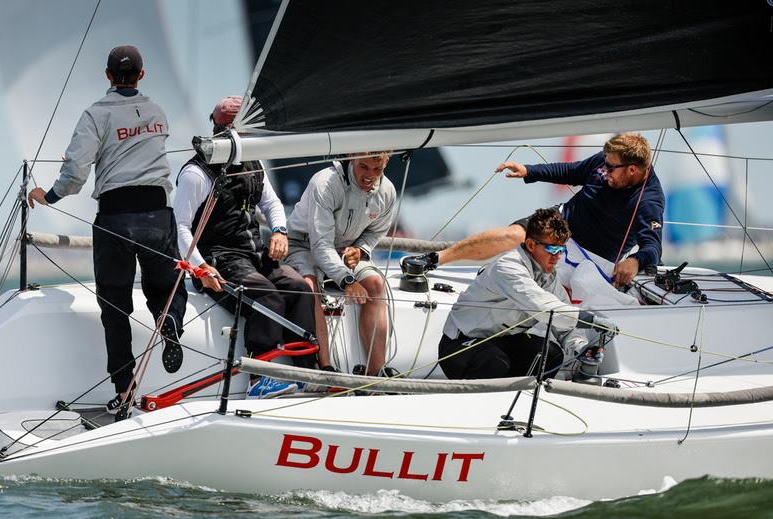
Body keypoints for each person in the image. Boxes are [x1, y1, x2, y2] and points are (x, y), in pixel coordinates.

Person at [27, 45, 187, 415]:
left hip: (117, 216)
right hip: (157, 212)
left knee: (115, 306)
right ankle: (171, 324)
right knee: (164, 289)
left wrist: (49, 196)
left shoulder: (95, 114)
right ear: (142, 75)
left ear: (108, 75)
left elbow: (76, 173)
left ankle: (124, 390)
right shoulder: (157, 112)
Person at [173, 96, 316, 398]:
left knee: (299, 288)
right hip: (219, 260)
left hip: (251, 256)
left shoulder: (253, 162)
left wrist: (279, 231)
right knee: (269, 297)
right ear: (226, 131)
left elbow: (272, 202)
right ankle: (258, 378)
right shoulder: (197, 173)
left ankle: (306, 370)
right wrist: (200, 268)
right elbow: (181, 228)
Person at [408, 133, 665, 288]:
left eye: (612, 168)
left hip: (588, 259)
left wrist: (636, 260)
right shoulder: (606, 162)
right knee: (513, 236)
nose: (605, 170)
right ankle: (435, 259)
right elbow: (571, 171)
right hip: (561, 223)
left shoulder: (648, 200)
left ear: (632, 169)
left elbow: (652, 247)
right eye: (606, 164)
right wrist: (529, 171)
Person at [438, 208, 616, 380]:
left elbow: (565, 326)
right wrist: (588, 320)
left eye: (561, 250)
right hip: (459, 346)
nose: (557, 257)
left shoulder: (548, 277)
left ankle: (521, 400)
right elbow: (542, 307)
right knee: (494, 362)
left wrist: (581, 348)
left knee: (550, 354)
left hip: (502, 342)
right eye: (553, 250)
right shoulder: (508, 267)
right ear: (531, 244)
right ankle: (484, 404)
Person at [285, 153, 397, 376]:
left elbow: (377, 230)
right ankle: (326, 367)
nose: (370, 176)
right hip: (302, 244)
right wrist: (347, 281)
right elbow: (320, 245)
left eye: (377, 170)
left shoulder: (387, 191)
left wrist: (361, 249)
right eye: (363, 167)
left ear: (385, 164)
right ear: (352, 158)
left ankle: (376, 375)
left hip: (345, 249)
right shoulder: (325, 183)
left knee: (375, 284)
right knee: (310, 286)